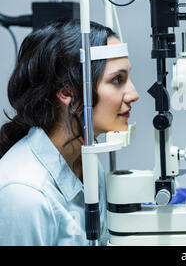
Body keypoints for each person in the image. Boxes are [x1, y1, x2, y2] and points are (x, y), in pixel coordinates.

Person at [0, 18, 139, 245]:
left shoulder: (88, 165)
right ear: (68, 93)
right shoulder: (25, 195)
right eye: (117, 80)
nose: (133, 94)